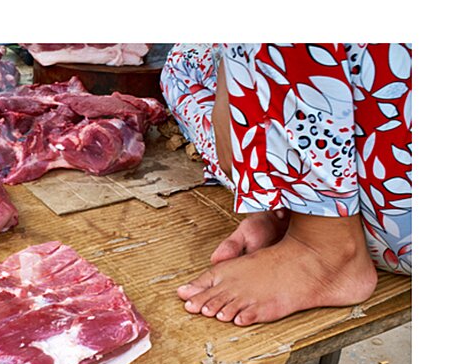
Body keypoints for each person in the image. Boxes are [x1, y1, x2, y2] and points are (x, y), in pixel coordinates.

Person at [160, 43, 412, 326]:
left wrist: (232, 79)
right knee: (186, 61)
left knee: (189, 63)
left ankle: (324, 245)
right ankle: (292, 200)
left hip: (394, 216)